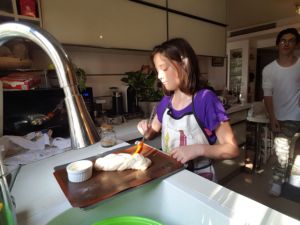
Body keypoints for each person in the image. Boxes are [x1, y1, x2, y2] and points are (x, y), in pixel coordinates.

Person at [137, 38, 239, 181]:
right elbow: (152, 132)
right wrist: (146, 130)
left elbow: (232, 149)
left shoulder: (205, 99)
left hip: (199, 180)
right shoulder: (167, 100)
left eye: (164, 68)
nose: (159, 76)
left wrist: (199, 149)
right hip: (169, 176)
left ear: (184, 64)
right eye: (157, 70)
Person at [262, 28, 300, 196]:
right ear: (277, 45)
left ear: (296, 45)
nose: (286, 43)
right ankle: (283, 174)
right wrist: (272, 118)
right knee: (285, 149)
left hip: (295, 115)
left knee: (282, 148)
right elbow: (268, 95)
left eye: (291, 40)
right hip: (277, 116)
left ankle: (277, 181)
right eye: (283, 40)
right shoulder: (269, 70)